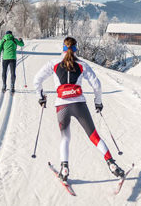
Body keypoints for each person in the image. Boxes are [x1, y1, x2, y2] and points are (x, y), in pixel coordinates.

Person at [33, 37, 125, 182]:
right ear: (76, 48)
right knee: (94, 136)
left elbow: (36, 80)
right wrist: (98, 102)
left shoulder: (53, 64)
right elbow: (97, 85)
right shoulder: (82, 65)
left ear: (63, 48)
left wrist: (41, 97)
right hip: (79, 104)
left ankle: (64, 168)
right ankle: (111, 163)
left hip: (62, 106)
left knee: (65, 138)